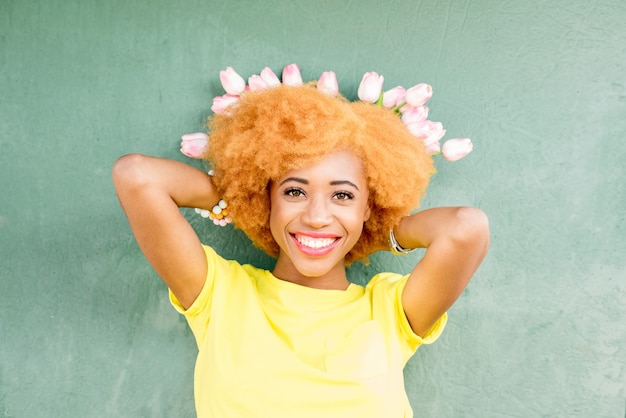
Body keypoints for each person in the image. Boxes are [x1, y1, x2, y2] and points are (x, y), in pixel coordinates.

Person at [112, 66, 490, 418]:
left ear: (367, 207)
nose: (316, 216)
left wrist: (377, 230)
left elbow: (466, 228)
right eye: (294, 191)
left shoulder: (391, 310)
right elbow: (137, 176)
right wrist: (246, 201)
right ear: (268, 198)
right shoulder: (218, 294)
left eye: (342, 196)